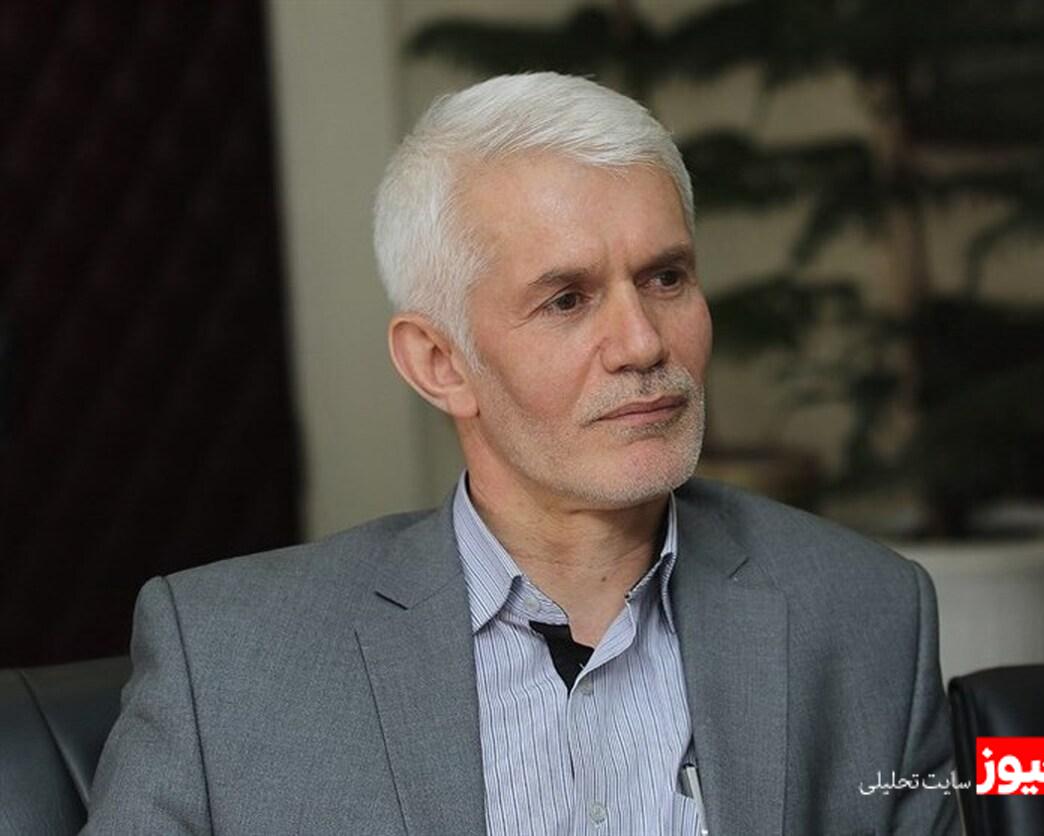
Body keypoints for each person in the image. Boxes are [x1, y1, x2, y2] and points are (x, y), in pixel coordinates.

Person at [84, 72, 957, 835]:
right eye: (567, 300)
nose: (642, 343)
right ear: (440, 362)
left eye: (666, 278)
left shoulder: (865, 614)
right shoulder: (228, 659)